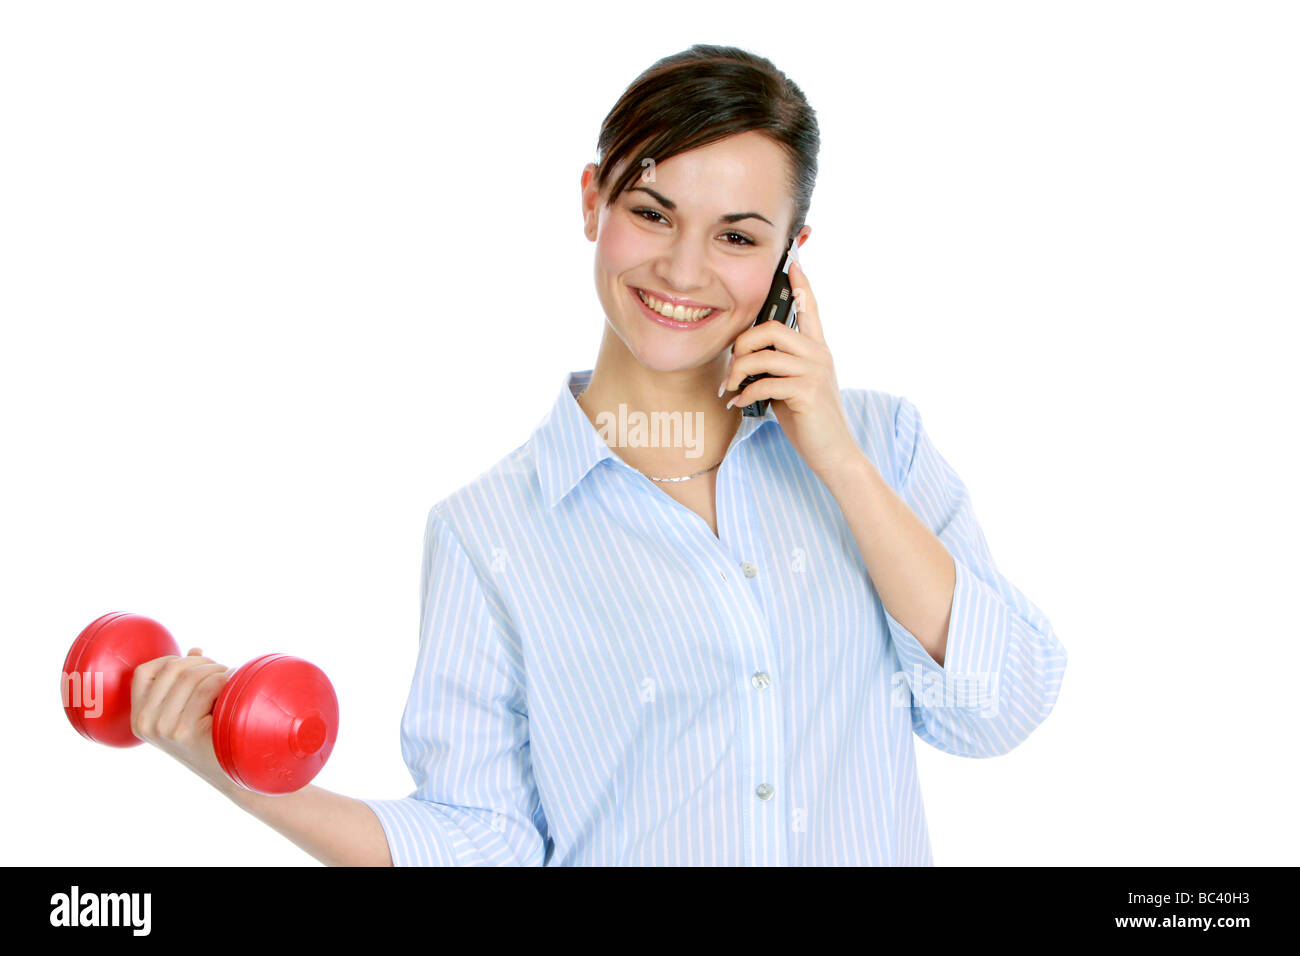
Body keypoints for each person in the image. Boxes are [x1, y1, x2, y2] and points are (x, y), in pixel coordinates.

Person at [128, 44, 1067, 866]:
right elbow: (482, 843)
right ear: (593, 199)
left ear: (791, 257)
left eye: (738, 237)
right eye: (653, 213)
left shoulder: (884, 446)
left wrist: (841, 463)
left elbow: (1000, 705)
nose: (685, 270)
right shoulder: (485, 533)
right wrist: (243, 776)